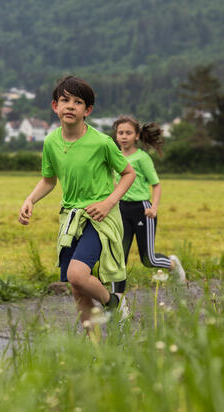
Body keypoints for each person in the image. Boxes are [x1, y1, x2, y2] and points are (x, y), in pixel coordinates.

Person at [18, 76, 136, 327]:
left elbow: (129, 174)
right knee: (77, 289)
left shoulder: (102, 142)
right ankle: (93, 351)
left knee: (76, 274)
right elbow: (49, 180)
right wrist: (30, 200)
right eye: (65, 100)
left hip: (99, 218)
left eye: (78, 101)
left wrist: (108, 203)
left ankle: (114, 303)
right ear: (55, 106)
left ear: (88, 110)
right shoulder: (51, 142)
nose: (70, 106)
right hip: (71, 219)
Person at [112, 115, 186, 306]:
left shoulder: (142, 158)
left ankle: (172, 264)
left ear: (136, 136)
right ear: (116, 135)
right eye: (121, 132)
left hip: (143, 210)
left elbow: (156, 185)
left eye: (128, 132)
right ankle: (117, 301)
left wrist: (154, 207)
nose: (124, 136)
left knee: (148, 258)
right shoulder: (114, 156)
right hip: (121, 210)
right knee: (119, 258)